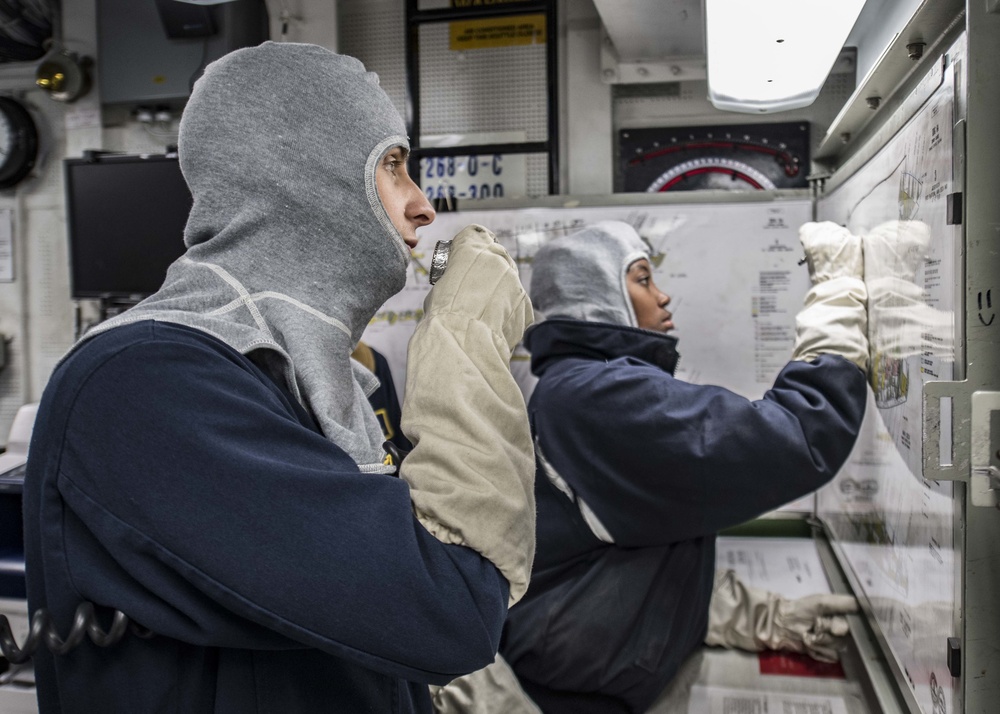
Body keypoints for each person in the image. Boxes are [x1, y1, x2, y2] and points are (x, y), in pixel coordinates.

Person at [22, 42, 535, 713]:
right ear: (307, 173)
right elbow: (453, 608)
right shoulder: (145, 380)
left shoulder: (299, 378)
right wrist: (464, 340)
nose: (422, 207)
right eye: (394, 166)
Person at [483, 220, 868, 714]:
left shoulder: (575, 388)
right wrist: (838, 294)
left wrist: (754, 616)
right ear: (597, 296)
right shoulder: (600, 397)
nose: (663, 298)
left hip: (586, 673)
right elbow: (799, 436)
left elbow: (627, 556)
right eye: (642, 279)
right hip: (582, 699)